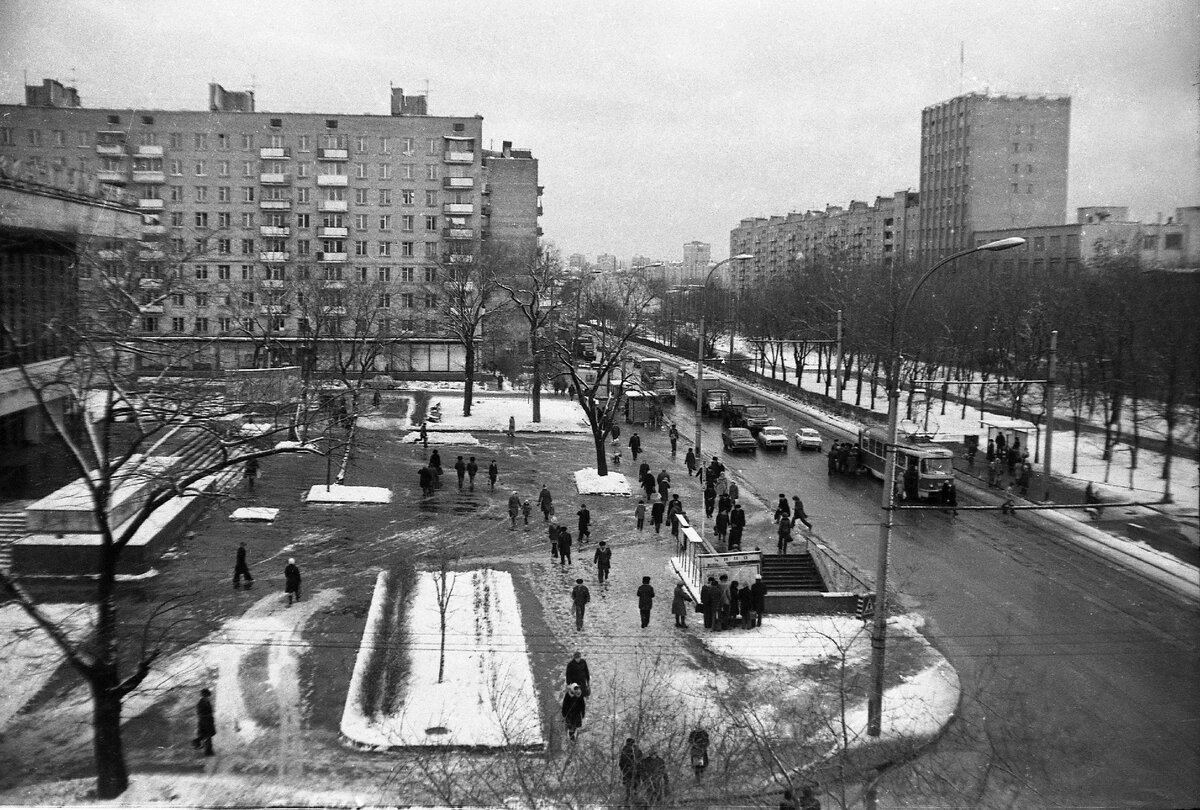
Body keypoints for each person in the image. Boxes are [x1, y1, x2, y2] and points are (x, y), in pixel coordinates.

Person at [619, 738, 644, 804]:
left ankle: (631, 800)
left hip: (632, 772)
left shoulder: (627, 750)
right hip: (630, 772)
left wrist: (624, 770)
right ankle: (630, 800)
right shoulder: (636, 750)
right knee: (632, 788)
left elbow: (621, 763)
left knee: (632, 788)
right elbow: (621, 763)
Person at [193, 688, 216, 756]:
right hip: (204, 722)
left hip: (208, 722)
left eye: (208, 696)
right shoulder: (201, 703)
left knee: (207, 736)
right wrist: (208, 716)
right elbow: (200, 713)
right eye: (207, 696)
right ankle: (208, 752)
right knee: (206, 736)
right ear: (204, 695)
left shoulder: (207, 702)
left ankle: (208, 751)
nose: (208, 697)